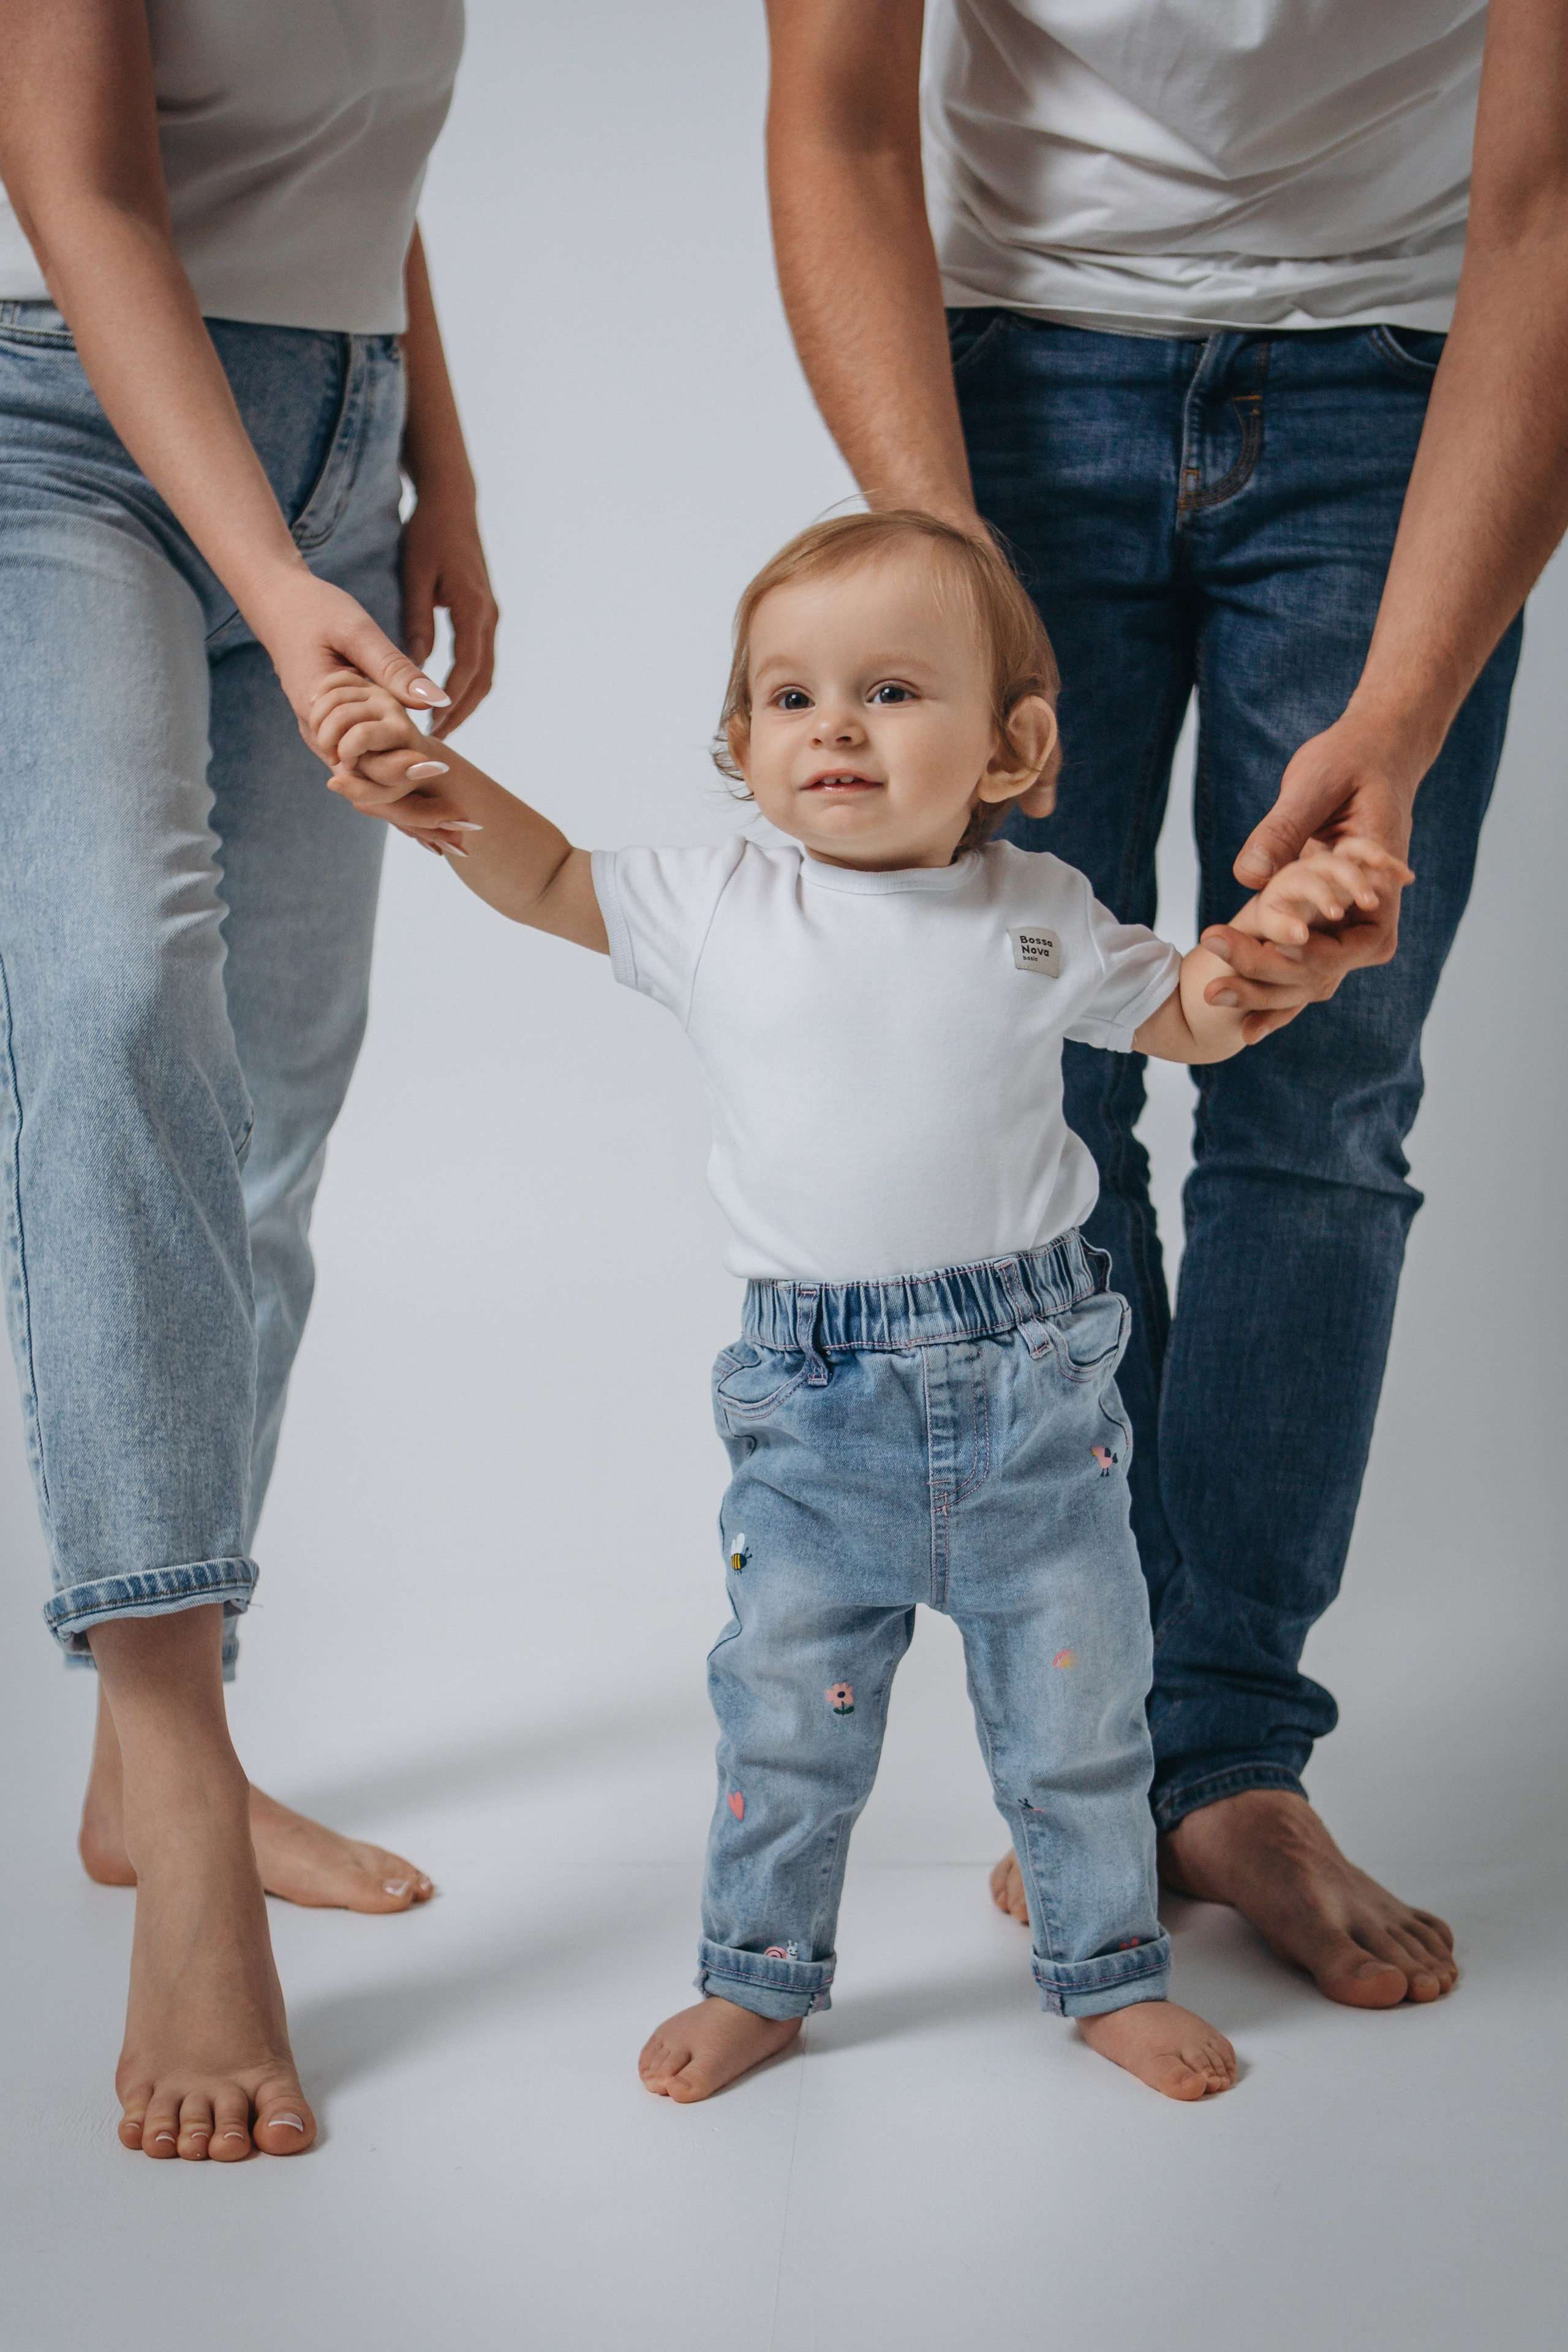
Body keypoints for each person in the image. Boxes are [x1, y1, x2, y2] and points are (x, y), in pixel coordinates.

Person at [311, 508, 1411, 2101]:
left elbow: (1181, 1018)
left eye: (893, 691)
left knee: (1083, 1722)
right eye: (790, 696)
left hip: (1039, 1389)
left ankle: (1103, 1971)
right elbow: (548, 873)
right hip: (816, 1405)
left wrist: (1258, 969)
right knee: (786, 1723)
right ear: (742, 745)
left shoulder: (1036, 908)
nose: (835, 724)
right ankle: (762, 1975)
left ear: (1010, 746)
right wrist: (436, 791)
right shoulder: (717, 905)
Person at [758, 0, 1568, 2008]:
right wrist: (943, 566)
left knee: (1324, 1089)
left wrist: (1401, 709)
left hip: (1403, 386)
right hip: (1010, 391)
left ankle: (1230, 1757)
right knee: (1042, 1078)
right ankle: (1098, 1744)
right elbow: (843, 125)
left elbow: (1547, 208)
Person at [0, 1, 494, 2158]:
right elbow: (82, 178)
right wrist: (275, 567)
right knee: (116, 1010)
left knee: (273, 1106)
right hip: (56, 430)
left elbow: (360, 171)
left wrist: (428, 482)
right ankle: (184, 1803)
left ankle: (146, 1750)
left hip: (332, 453)